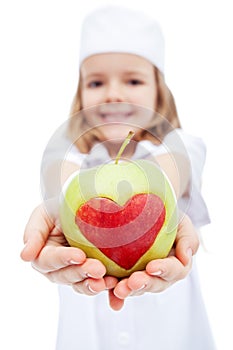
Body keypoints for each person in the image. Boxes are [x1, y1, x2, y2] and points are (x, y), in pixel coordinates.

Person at [21, 6, 216, 350]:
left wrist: (156, 203)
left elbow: (174, 171)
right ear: (79, 93)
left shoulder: (181, 145)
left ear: (160, 91)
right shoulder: (67, 154)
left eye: (133, 80)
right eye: (96, 82)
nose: (113, 94)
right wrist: (58, 208)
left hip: (175, 338)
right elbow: (59, 179)